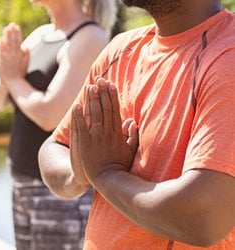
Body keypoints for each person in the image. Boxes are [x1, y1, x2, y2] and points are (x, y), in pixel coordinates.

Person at [38, 0, 235, 249]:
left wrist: (105, 174)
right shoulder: (121, 50)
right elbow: (53, 147)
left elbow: (205, 217)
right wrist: (80, 172)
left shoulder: (227, 56)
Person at [0, 0, 117, 249]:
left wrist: (12, 78)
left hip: (60, 193)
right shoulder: (41, 36)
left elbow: (50, 115)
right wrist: (8, 78)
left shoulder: (91, 38)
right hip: (23, 184)